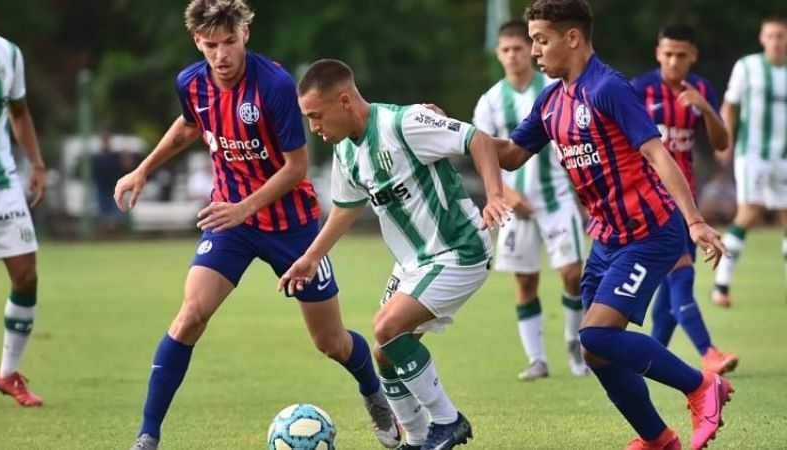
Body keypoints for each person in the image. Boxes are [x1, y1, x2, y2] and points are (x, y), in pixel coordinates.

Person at [114, 2, 398, 449]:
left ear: (245, 34)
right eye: (211, 45)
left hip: (293, 226)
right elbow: (191, 125)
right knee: (189, 316)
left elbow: (297, 168)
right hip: (231, 222)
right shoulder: (190, 82)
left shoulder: (275, 85)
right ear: (198, 43)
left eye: (229, 41)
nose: (221, 54)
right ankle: (147, 437)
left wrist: (244, 208)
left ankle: (375, 395)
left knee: (331, 342)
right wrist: (144, 168)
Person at [494, 1, 733, 448]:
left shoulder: (608, 88)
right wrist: (450, 134)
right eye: (530, 41)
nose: (533, 51)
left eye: (540, 40)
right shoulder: (550, 100)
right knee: (596, 350)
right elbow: (509, 155)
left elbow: (657, 153)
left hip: (649, 232)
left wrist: (695, 221)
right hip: (605, 239)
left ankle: (701, 386)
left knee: (597, 333)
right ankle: (658, 439)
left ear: (572, 38)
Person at [279, 58, 509, 450]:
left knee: (387, 327)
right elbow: (345, 207)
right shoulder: (345, 151)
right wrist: (311, 256)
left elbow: (477, 139)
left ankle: (448, 421)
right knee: (385, 355)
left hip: (459, 249)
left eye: (316, 116)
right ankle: (417, 440)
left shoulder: (403, 123)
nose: (313, 128)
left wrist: (495, 195)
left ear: (345, 101)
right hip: (414, 264)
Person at [473, 19, 587, 381]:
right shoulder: (490, 100)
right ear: (497, 54)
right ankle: (537, 359)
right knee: (525, 282)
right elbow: (480, 153)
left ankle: (574, 342)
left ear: (530, 49)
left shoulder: (555, 88)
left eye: (518, 48)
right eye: (505, 50)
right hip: (513, 206)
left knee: (572, 274)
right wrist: (504, 192)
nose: (513, 56)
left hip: (556, 200)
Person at [630, 24, 738, 375]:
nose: (674, 61)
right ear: (658, 53)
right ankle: (708, 352)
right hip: (652, 200)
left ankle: (650, 359)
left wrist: (706, 108)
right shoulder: (640, 90)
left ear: (693, 55)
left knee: (669, 297)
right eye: (668, 53)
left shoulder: (701, 88)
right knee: (681, 276)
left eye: (681, 54)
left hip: (686, 199)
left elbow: (721, 144)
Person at [0, 0, 46, 408]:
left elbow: (19, 113)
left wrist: (37, 163)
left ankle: (8, 373)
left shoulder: (6, 54)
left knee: (25, 275)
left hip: (2, 181)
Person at [711, 15, 787, 307]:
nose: (776, 41)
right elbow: (729, 105)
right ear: (762, 38)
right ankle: (721, 285)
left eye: (780, 36)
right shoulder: (748, 67)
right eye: (771, 36)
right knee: (749, 213)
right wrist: (724, 139)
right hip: (753, 153)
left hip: (783, 157)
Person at [92, 131, 127, 237]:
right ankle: (105, 238)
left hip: (114, 189)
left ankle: (115, 237)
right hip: (102, 190)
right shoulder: (97, 157)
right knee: (103, 217)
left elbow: (125, 166)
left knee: (116, 217)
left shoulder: (115, 156)